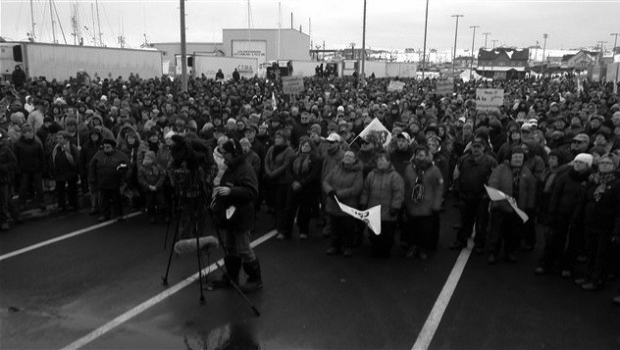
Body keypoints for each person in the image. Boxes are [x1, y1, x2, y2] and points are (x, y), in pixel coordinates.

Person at [210, 138, 262, 293]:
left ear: (235, 153)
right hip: (230, 216)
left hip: (241, 216)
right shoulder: (231, 167)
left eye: (225, 153)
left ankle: (255, 279)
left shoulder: (246, 169)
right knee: (231, 247)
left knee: (244, 249)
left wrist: (232, 191)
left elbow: (252, 192)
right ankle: (232, 277)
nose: (223, 156)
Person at [572, 154, 620, 291]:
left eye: (608, 163)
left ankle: (597, 280)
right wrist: (577, 217)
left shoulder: (616, 184)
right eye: (602, 162)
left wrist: (617, 230)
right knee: (590, 251)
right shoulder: (593, 180)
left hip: (606, 225)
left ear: (614, 166)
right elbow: (584, 200)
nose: (604, 165)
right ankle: (588, 275)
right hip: (589, 222)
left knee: (601, 254)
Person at [487, 147, 537, 264]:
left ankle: (510, 252)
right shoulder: (500, 169)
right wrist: (496, 201)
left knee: (514, 233)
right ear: (510, 158)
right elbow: (493, 184)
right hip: (501, 207)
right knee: (496, 232)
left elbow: (531, 190)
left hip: (518, 208)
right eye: (516, 157)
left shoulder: (526, 172)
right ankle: (493, 253)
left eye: (521, 157)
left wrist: (529, 207)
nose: (518, 159)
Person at [451, 136, 497, 252]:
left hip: (482, 197)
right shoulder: (463, 160)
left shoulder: (490, 161)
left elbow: (495, 179)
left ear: (484, 148)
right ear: (471, 147)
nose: (476, 149)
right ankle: (461, 241)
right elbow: (456, 176)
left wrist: (489, 196)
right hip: (465, 196)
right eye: (474, 146)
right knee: (465, 221)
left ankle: (479, 244)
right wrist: (458, 193)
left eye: (479, 147)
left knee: (481, 222)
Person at [359, 152, 404, 258]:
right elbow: (365, 190)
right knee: (373, 234)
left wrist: (395, 207)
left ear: (388, 162)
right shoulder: (371, 175)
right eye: (378, 160)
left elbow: (398, 193)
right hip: (373, 211)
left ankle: (385, 251)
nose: (379, 162)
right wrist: (363, 202)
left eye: (382, 160)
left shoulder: (395, 176)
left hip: (388, 211)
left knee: (387, 234)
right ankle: (375, 249)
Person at [402, 146, 444, 259]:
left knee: (425, 229)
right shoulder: (409, 168)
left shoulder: (434, 170)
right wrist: (404, 202)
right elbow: (405, 186)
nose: (418, 157)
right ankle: (413, 246)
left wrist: (436, 205)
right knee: (412, 227)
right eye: (417, 155)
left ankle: (423, 248)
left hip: (427, 206)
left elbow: (439, 188)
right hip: (412, 205)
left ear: (426, 156)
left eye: (421, 155)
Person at [323, 150, 364, 257]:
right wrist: (330, 191)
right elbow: (326, 181)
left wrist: (339, 194)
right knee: (334, 226)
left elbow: (356, 188)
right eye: (346, 156)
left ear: (355, 159)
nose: (347, 158)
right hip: (333, 203)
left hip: (348, 205)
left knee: (348, 227)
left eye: (350, 156)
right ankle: (334, 246)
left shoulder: (358, 172)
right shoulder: (336, 168)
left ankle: (348, 246)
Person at [281, 137, 322, 240]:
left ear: (311, 147)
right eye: (303, 145)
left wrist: (301, 183)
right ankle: (286, 231)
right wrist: (293, 182)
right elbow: (288, 171)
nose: (305, 147)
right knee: (289, 209)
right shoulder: (294, 157)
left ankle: (303, 231)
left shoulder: (315, 159)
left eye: (307, 146)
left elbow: (314, 174)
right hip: (293, 186)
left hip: (306, 188)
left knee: (304, 210)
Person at [89, 138, 130, 222]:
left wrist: (122, 172)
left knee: (116, 199)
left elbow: (126, 166)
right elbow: (92, 166)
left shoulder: (120, 156)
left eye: (108, 147)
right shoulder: (99, 155)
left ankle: (118, 214)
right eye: (104, 147)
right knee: (104, 199)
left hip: (115, 181)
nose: (105, 149)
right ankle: (105, 214)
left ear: (113, 147)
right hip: (102, 181)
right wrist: (92, 178)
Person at [13, 123, 46, 212]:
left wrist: (42, 167)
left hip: (36, 168)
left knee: (39, 187)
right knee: (23, 187)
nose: (31, 134)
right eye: (28, 132)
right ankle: (22, 203)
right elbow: (15, 158)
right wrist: (18, 169)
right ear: (24, 134)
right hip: (24, 170)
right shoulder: (18, 144)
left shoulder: (37, 143)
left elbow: (41, 156)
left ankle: (41, 202)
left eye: (31, 132)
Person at [51, 131, 80, 212]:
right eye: (58, 138)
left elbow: (77, 159)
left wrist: (75, 170)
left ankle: (73, 204)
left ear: (66, 139)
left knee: (72, 189)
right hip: (60, 172)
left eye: (61, 138)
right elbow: (53, 159)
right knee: (60, 190)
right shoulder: (56, 148)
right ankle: (61, 204)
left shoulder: (72, 147)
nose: (59, 140)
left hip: (70, 171)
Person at [137, 151, 167, 224]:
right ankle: (152, 216)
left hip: (158, 188)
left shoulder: (158, 167)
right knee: (150, 203)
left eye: (149, 158)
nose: (147, 160)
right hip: (148, 188)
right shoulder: (141, 168)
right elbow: (141, 179)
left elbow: (162, 176)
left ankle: (165, 215)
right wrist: (148, 186)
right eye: (146, 158)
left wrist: (156, 186)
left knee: (161, 202)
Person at [0, 129, 18, 230]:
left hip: (3, 179)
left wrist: (3, 167)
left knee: (3, 201)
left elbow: (13, 163)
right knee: (6, 200)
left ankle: (4, 221)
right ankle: (16, 216)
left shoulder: (5, 149)